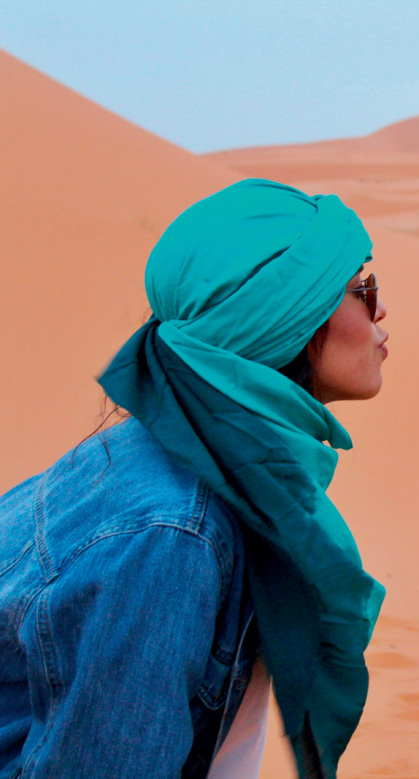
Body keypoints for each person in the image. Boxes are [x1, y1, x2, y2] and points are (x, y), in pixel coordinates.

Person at [0, 180, 388, 778]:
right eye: (362, 290)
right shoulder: (171, 536)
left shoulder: (189, 457)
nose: (380, 310)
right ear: (285, 320)